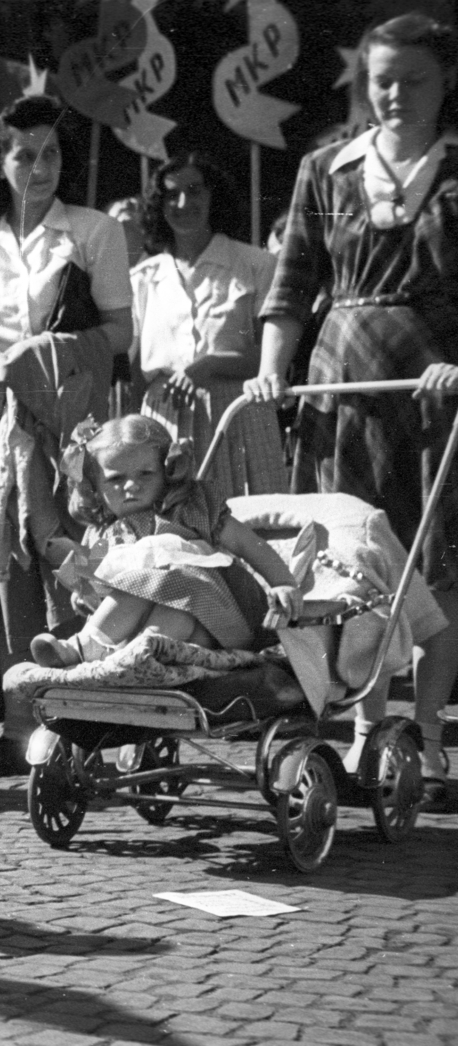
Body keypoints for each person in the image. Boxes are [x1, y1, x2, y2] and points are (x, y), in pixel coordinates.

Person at [246, 13, 458, 804]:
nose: (397, 95)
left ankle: (429, 736)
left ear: (445, 83)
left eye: (415, 80)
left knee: (435, 562)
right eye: (383, 81)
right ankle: (368, 729)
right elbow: (292, 283)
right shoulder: (327, 167)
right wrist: (273, 372)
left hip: (433, 389)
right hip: (342, 382)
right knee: (350, 559)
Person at [0, 96, 133, 775]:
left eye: (51, 152)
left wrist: (49, 349)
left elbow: (121, 333)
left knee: (75, 562)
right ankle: (23, 721)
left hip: (74, 410)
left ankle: (86, 718)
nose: (39, 166)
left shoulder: (94, 230)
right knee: (8, 564)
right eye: (24, 152)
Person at [32, 415, 300, 666]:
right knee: (136, 592)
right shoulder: (102, 534)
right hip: (167, 636)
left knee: (159, 587)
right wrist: (83, 598)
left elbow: (247, 544)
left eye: (145, 474)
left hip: (219, 621)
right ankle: (93, 650)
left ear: (167, 471)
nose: (131, 486)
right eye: (115, 479)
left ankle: (122, 657)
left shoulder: (190, 509)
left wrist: (283, 583)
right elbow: (86, 588)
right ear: (94, 487)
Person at [133, 153, 286, 505]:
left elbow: (270, 358)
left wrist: (210, 364)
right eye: (171, 195)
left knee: (252, 521)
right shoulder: (143, 278)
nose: (183, 203)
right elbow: (135, 371)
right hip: (165, 415)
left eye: (194, 191)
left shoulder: (256, 264)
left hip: (239, 414)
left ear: (213, 196)